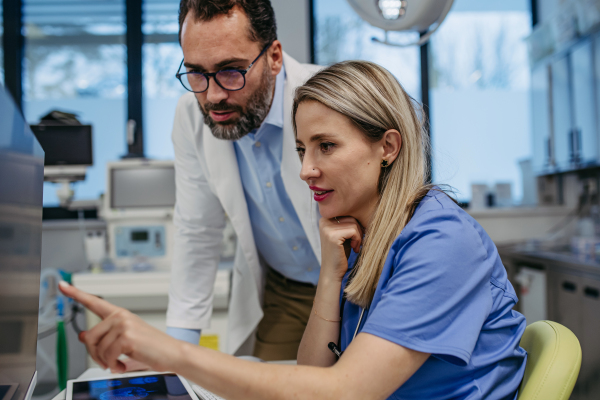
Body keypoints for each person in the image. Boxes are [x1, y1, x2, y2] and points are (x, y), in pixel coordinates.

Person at [60, 60, 527, 399]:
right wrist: (329, 277)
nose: (306, 170)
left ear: (387, 147)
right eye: (302, 149)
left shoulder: (440, 242)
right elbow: (314, 370)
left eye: (326, 146)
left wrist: (171, 353)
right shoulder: (363, 240)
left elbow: (342, 393)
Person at [168, 0, 322, 360]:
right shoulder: (190, 115)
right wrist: (177, 356)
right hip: (287, 290)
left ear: (274, 56)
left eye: (231, 71)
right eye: (196, 73)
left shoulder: (326, 98)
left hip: (363, 283)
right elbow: (197, 231)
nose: (213, 95)